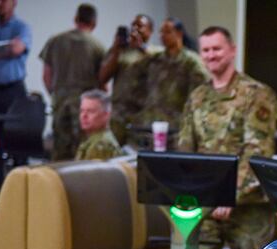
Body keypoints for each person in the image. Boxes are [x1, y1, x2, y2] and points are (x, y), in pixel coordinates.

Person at [177, 26, 277, 249]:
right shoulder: (197, 97)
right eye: (206, 50)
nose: (210, 55)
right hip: (207, 204)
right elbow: (186, 150)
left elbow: (257, 150)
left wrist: (230, 194)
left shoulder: (255, 93)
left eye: (217, 49)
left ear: (232, 50)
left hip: (247, 205)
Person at [40, 3, 105, 160]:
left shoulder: (55, 41)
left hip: (60, 101)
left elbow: (46, 76)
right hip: (86, 106)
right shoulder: (97, 46)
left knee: (59, 149)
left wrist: (56, 95)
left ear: (76, 19)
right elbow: (103, 82)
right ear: (94, 23)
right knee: (83, 149)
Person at [131, 17, 207, 148]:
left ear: (179, 33)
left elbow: (199, 94)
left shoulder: (191, 62)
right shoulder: (155, 59)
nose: (162, 36)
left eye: (167, 31)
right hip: (151, 126)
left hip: (176, 128)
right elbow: (135, 78)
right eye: (161, 32)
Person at [98, 14, 161, 146]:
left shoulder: (156, 52)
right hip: (119, 114)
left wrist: (141, 47)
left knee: (140, 151)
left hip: (142, 113)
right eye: (133, 25)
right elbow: (102, 78)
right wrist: (116, 49)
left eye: (140, 26)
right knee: (115, 151)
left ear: (150, 31)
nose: (135, 29)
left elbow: (160, 72)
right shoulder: (119, 51)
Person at [74, 89, 122, 160]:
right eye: (82, 111)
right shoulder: (95, 139)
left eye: (91, 111)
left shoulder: (100, 145)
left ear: (106, 115)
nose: (84, 116)